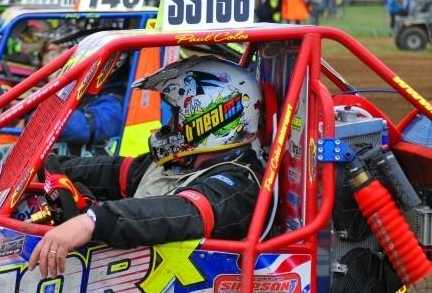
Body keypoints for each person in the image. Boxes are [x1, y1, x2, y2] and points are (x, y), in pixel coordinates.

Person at [28, 55, 265, 276]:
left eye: (174, 117)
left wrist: (92, 221)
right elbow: (112, 171)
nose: (167, 126)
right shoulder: (179, 165)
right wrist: (39, 169)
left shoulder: (238, 185)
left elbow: (179, 212)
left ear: (207, 118)